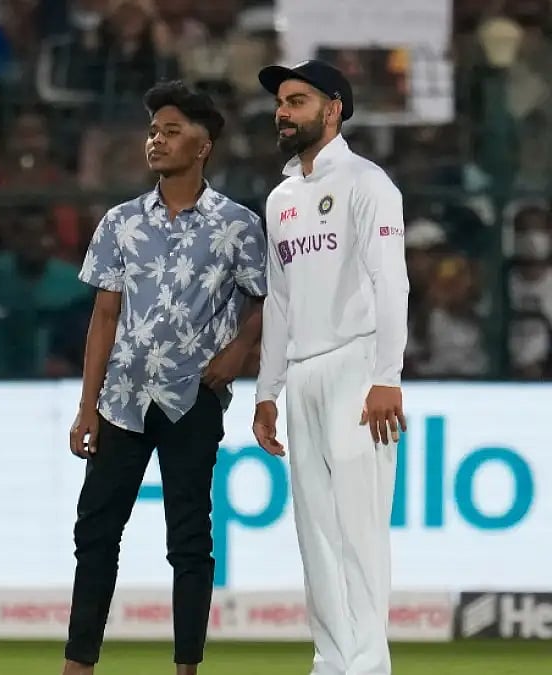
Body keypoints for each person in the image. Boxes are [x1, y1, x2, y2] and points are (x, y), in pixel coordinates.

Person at [64, 80, 268, 675]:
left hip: (193, 396)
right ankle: (78, 664)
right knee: (95, 533)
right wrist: (86, 405)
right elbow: (104, 317)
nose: (156, 140)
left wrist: (239, 351)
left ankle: (187, 667)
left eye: (171, 131)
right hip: (120, 400)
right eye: (153, 131)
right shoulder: (120, 222)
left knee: (189, 539)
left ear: (203, 146)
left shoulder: (239, 224)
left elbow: (267, 300)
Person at [253, 59, 409, 675]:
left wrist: (386, 377)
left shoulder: (368, 183)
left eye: (297, 100)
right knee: (316, 536)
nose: (283, 112)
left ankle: (366, 667)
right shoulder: (280, 198)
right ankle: (332, 662)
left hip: (356, 365)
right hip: (301, 374)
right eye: (281, 102)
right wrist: (267, 391)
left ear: (334, 108)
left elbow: (391, 282)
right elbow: (279, 301)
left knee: (359, 533)